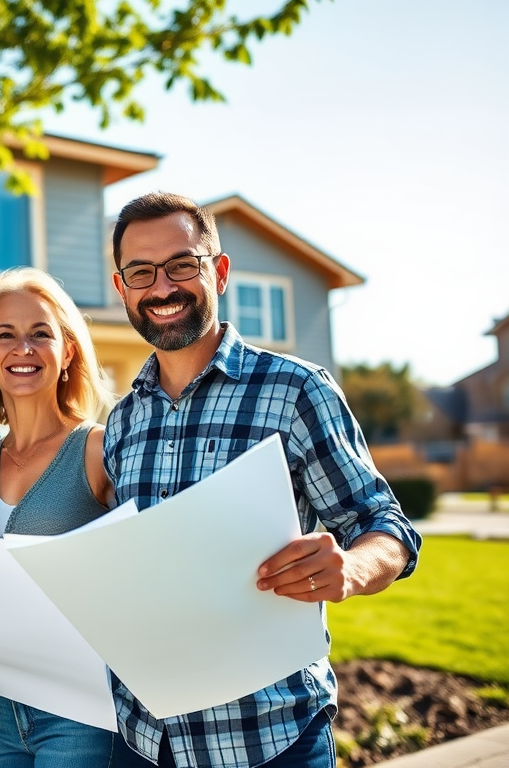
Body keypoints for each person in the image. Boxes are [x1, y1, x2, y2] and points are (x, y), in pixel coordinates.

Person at [103, 192, 422, 768]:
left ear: (218, 272)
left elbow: (388, 526)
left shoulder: (298, 391)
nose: (162, 287)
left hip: (269, 740)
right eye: (141, 273)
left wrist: (351, 567)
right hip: (144, 742)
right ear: (121, 287)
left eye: (182, 265)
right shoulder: (123, 422)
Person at [0, 267, 117, 767]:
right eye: (5, 335)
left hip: (75, 711)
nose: (22, 349)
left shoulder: (96, 449)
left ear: (68, 351)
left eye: (40, 334)